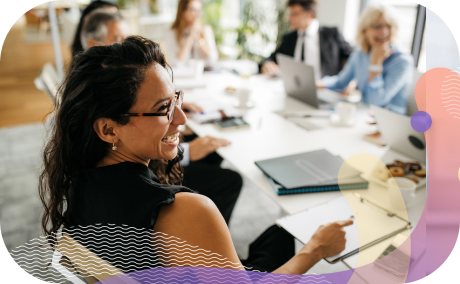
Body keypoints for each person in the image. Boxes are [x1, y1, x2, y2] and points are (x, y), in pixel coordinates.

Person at [39, 36, 353, 274]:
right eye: (163, 109)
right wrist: (314, 251)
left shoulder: (79, 179)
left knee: (279, 233)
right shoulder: (185, 212)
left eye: (176, 99)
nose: (181, 119)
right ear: (109, 130)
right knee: (290, 238)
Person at [79, 9, 242, 225]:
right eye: (118, 41)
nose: (126, 47)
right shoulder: (183, 209)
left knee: (214, 155)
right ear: (109, 130)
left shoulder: (83, 184)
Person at [317, 4, 414, 115]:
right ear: (364, 31)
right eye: (377, 26)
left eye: (389, 26)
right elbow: (341, 82)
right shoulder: (360, 53)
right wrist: (319, 83)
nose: (384, 32)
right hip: (363, 114)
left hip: (388, 121)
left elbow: (375, 102)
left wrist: (375, 64)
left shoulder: (402, 61)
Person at [260, 0, 353, 80]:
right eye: (289, 14)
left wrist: (350, 80)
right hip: (294, 90)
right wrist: (267, 64)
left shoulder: (332, 34)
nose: (289, 19)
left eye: (294, 14)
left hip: (325, 90)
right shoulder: (289, 38)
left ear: (309, 14)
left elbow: (355, 57)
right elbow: (272, 58)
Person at [165, 0, 219, 68]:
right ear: (183, 11)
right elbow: (176, 63)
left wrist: (199, 39)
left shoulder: (206, 30)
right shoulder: (172, 33)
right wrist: (190, 36)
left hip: (205, 75)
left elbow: (213, 60)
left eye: (199, 10)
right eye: (194, 10)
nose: (198, 14)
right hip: (183, 76)